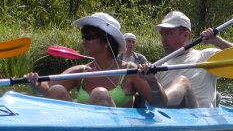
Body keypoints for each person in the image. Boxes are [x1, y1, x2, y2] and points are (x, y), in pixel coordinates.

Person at [26, 12, 167, 108]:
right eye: (83, 36)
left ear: (106, 42)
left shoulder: (131, 72)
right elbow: (47, 89)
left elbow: (161, 104)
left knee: (100, 93)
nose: (83, 41)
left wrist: (152, 81)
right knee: (57, 90)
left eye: (88, 36)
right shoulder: (80, 72)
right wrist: (35, 84)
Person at [154, 11, 233, 108]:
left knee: (182, 82)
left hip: (198, 118)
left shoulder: (206, 57)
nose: (163, 39)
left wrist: (216, 40)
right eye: (162, 34)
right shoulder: (159, 66)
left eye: (168, 33)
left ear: (185, 36)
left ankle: (161, 101)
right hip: (168, 118)